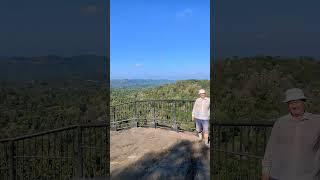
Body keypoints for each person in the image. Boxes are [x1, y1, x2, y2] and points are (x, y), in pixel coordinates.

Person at [262, 88, 320, 180]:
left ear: (303, 102)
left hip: (308, 176)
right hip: (279, 176)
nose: (294, 106)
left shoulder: (316, 121)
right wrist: (265, 173)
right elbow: (270, 149)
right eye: (291, 103)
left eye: (297, 102)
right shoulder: (280, 123)